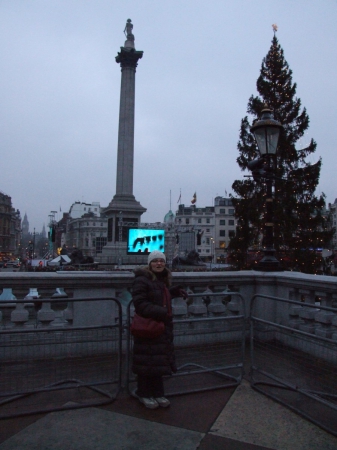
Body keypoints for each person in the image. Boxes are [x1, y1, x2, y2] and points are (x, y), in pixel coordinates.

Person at [131, 250, 187, 409]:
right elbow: (140, 304)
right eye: (155, 261)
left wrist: (173, 292)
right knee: (146, 362)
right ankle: (144, 393)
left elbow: (157, 296)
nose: (159, 264)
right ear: (149, 264)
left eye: (161, 261)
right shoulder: (141, 280)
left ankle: (157, 393)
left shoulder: (161, 280)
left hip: (160, 327)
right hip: (148, 327)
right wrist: (162, 312)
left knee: (158, 361)